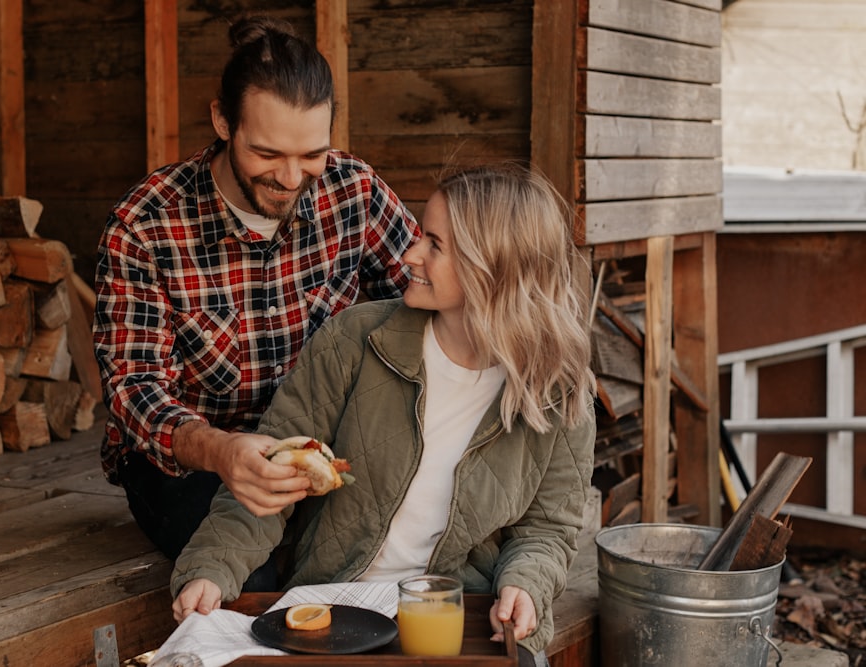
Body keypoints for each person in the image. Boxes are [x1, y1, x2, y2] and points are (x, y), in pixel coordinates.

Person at [170, 163, 597, 662]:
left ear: (493, 267)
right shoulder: (354, 341)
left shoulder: (558, 393)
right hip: (334, 614)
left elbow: (548, 529)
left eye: (434, 244)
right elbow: (268, 479)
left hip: (463, 620)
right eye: (419, 235)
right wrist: (210, 569)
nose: (409, 254)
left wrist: (526, 585)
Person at [92, 15, 420, 564]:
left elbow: (429, 294)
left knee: (393, 542)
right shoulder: (144, 225)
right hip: (190, 460)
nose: (292, 178)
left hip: (321, 444)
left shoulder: (355, 192)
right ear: (223, 120)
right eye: (267, 154)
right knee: (261, 567)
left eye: (311, 155)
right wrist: (221, 452)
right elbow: (134, 392)